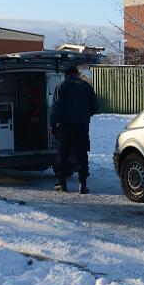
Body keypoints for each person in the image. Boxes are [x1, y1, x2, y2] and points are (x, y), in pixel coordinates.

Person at [50, 65, 99, 194]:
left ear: (67, 75)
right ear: (77, 74)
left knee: (63, 155)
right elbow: (96, 107)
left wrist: (53, 125)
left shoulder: (62, 87)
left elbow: (56, 108)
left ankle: (62, 184)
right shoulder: (86, 87)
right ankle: (82, 185)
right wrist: (84, 115)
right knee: (82, 155)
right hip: (82, 127)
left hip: (65, 127)